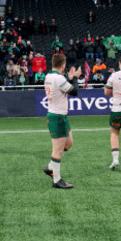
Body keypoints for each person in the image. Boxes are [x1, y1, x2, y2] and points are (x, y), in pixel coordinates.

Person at [42, 54, 81, 189]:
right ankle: (56, 180)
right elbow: (75, 91)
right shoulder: (58, 78)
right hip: (57, 116)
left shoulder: (49, 76)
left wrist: (69, 79)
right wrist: (75, 77)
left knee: (69, 143)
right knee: (57, 150)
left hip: (60, 115)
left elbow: (62, 87)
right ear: (63, 65)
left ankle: (50, 167)